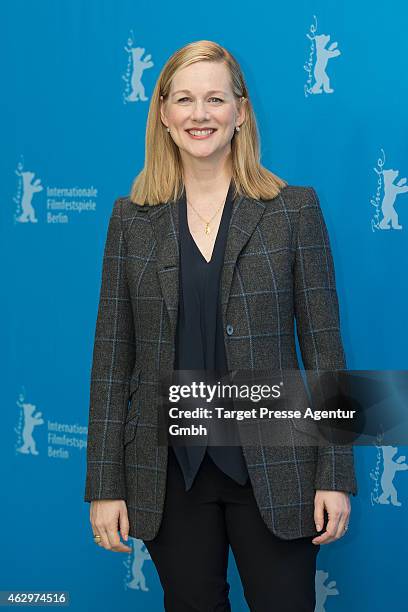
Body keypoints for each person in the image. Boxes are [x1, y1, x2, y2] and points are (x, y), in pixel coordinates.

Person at [84, 40, 358, 611]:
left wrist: (336, 473)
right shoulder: (131, 220)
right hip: (167, 473)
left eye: (215, 99)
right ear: (162, 114)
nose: (200, 114)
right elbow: (112, 362)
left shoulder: (293, 210)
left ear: (241, 111)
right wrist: (105, 485)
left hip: (277, 470)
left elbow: (326, 353)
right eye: (184, 100)